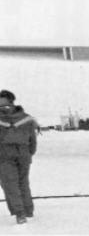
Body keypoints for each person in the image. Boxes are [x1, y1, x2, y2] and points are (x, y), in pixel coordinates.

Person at [0, 90, 36, 224]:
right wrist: (29, 153)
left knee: (10, 185)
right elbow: (33, 140)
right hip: (23, 154)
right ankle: (28, 210)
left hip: (4, 155)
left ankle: (20, 214)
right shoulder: (26, 117)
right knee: (23, 183)